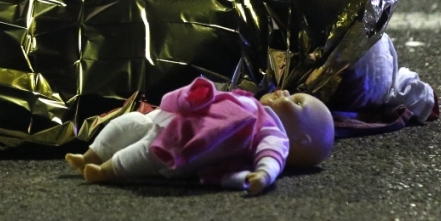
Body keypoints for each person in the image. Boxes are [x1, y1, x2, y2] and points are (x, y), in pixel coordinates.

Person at [65, 77, 335, 195]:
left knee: (146, 152)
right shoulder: (248, 101)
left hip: (180, 148)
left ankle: (105, 171)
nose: (285, 92)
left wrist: (264, 174)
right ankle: (90, 155)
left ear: (302, 139)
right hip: (167, 119)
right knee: (130, 123)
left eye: (296, 102)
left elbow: (272, 156)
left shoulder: (272, 132)